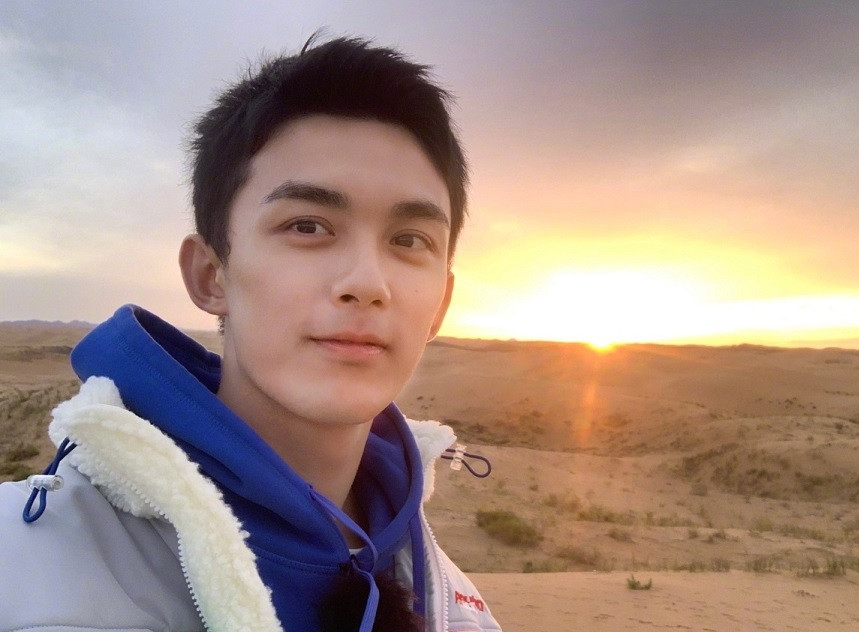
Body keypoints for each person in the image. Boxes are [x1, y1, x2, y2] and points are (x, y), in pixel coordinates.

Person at [0, 33, 501, 632]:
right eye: (308, 226)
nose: (368, 283)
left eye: (409, 240)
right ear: (211, 275)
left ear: (441, 303)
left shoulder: (455, 607)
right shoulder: (24, 567)